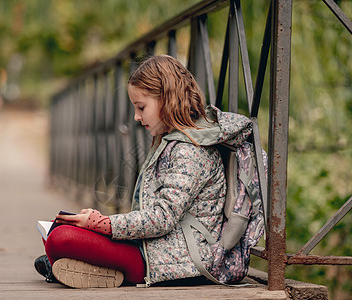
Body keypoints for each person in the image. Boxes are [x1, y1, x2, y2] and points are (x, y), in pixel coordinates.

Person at [34, 55, 252, 288]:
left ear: (167, 99)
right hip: (155, 249)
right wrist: (98, 223)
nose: (137, 117)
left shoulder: (191, 151)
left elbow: (163, 218)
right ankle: (90, 266)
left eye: (141, 107)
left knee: (60, 238)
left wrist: (104, 224)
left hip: (180, 263)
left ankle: (87, 265)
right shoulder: (170, 142)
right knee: (61, 229)